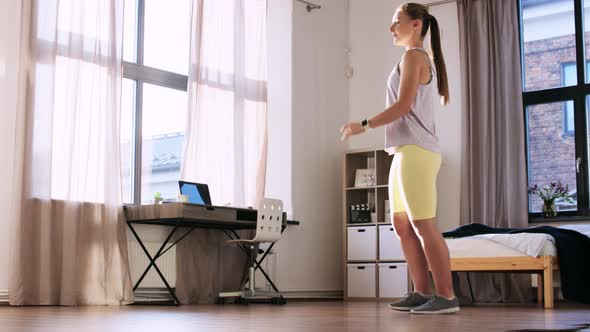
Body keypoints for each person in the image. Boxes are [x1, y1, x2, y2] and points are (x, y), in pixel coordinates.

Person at [340, 3, 459, 314]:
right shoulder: (413, 58)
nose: (391, 28)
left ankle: (446, 296)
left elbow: (404, 105)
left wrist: (362, 125)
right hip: (403, 151)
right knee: (401, 223)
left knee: (424, 225)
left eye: (397, 22)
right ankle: (421, 292)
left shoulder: (414, 56)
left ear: (416, 25)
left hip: (417, 152)